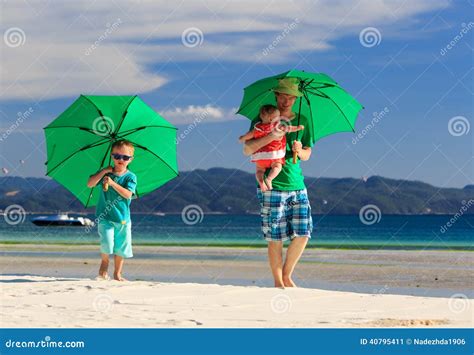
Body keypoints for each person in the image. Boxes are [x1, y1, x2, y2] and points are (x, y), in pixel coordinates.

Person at [243, 78, 314, 288]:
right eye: (282, 96)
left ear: (295, 98)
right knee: (275, 237)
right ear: (276, 96)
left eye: (291, 97)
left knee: (303, 233)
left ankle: (287, 274)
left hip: (297, 184)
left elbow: (308, 153)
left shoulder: (302, 120)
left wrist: (300, 150)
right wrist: (273, 135)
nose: (286, 100)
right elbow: (247, 149)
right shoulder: (262, 119)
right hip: (272, 185)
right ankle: (278, 281)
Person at [87, 140, 137, 281]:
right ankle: (104, 264)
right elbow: (90, 183)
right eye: (117, 156)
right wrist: (104, 172)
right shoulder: (105, 173)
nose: (120, 160)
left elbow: (128, 194)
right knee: (106, 242)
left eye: (125, 157)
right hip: (105, 216)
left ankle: (117, 273)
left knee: (121, 246)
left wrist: (113, 183)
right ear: (112, 156)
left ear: (130, 159)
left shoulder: (130, 177)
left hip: (122, 218)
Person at [239, 104, 304, 191]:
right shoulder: (276, 126)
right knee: (277, 167)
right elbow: (288, 128)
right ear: (271, 119)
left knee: (259, 170)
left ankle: (261, 181)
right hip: (273, 155)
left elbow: (249, 135)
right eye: (277, 117)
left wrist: (242, 138)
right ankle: (269, 179)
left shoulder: (257, 127)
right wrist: (298, 128)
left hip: (260, 157)